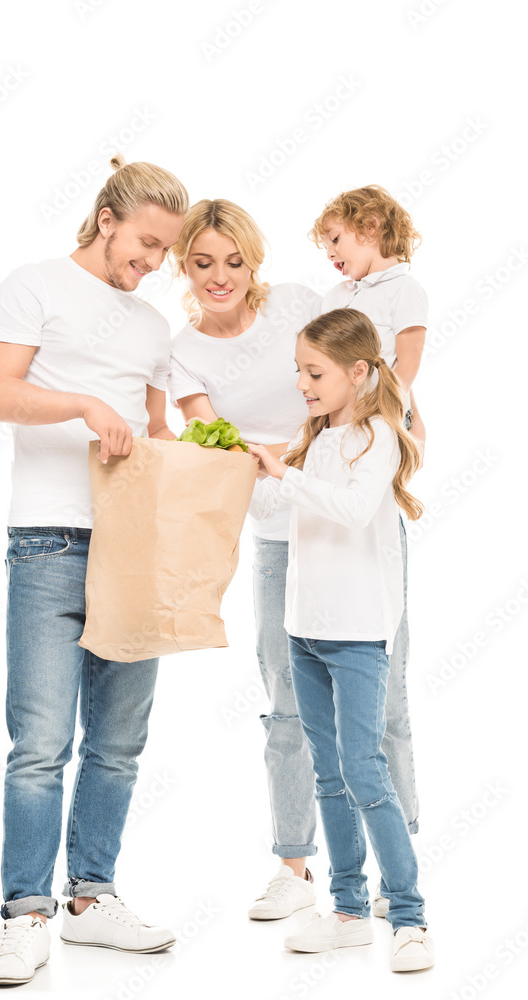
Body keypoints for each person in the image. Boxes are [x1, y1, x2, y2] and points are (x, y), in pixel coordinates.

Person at [0, 155, 188, 986]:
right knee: (38, 744)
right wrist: (84, 405)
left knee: (119, 744)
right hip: (49, 542)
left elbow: (161, 429)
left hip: (136, 547)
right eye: (145, 242)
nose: (153, 263)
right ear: (107, 220)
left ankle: (91, 901)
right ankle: (24, 916)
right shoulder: (31, 286)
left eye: (165, 250)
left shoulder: (149, 329)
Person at [245, 307, 435, 973]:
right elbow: (274, 508)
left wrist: (285, 475)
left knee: (363, 770)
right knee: (327, 775)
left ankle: (407, 915)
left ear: (358, 373)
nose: (302, 382)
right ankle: (349, 911)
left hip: (356, 633)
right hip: (304, 629)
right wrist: (246, 473)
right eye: (298, 369)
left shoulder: (377, 434)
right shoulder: (316, 437)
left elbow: (353, 510)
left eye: (314, 371)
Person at [168, 199, 322, 919]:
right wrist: (268, 454)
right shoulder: (183, 349)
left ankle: (391, 868)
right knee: (285, 703)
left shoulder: (295, 305)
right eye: (202, 264)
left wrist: (291, 454)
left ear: (254, 261)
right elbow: (212, 435)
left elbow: (351, 387)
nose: (218, 277)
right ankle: (294, 868)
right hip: (276, 538)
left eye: (233, 262)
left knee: (376, 702)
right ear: (183, 266)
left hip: (347, 523)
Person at [311, 185, 428, 917]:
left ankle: (400, 853)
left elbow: (401, 374)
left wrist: (380, 429)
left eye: (337, 238)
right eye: (324, 244)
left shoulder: (402, 288)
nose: (330, 253)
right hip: (337, 451)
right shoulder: (336, 294)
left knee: (387, 693)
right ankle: (355, 871)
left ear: (372, 226)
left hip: (374, 439)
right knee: (341, 726)